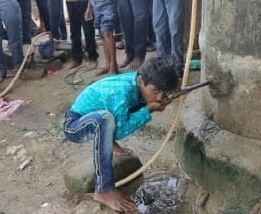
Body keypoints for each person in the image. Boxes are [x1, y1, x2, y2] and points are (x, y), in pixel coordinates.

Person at [63, 56, 177, 213]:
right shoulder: (121, 92)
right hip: (74, 126)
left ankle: (109, 144)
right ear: (141, 80)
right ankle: (103, 190)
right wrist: (148, 110)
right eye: (155, 91)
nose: (159, 97)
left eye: (163, 93)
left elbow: (126, 113)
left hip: (93, 118)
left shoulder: (137, 81)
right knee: (104, 119)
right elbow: (120, 130)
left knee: (111, 116)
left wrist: (157, 99)